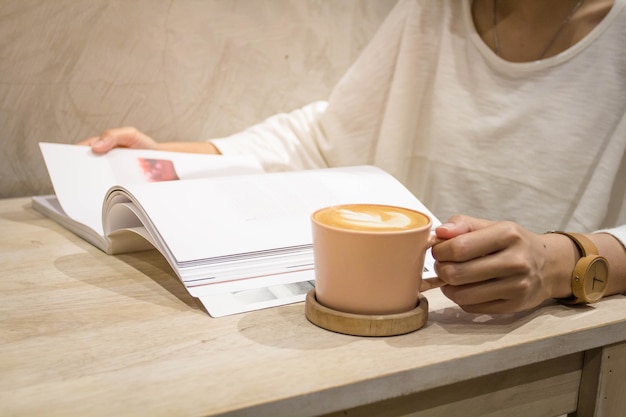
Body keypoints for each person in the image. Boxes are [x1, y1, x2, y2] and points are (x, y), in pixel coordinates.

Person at [80, 0, 626, 314]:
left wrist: (560, 262)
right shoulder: (436, 10)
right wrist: (177, 159)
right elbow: (331, 133)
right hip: (390, 339)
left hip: (562, 354)